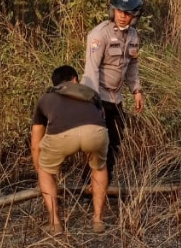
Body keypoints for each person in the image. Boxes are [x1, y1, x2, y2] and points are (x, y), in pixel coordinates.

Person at [30, 65, 109, 234]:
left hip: (61, 135)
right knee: (100, 167)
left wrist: (40, 172)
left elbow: (35, 145)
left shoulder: (45, 98)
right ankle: (97, 220)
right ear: (75, 79)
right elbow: (100, 118)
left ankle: (55, 223)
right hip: (95, 132)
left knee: (45, 172)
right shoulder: (91, 93)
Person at [81, 0, 145, 183]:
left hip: (116, 99)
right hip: (97, 96)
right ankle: (87, 186)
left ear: (134, 15)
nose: (122, 16)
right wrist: (95, 104)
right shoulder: (99, 35)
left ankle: (104, 184)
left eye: (127, 13)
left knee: (115, 142)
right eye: (119, 11)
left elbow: (132, 65)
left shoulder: (134, 36)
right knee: (97, 144)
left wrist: (137, 90)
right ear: (112, 11)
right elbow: (91, 70)